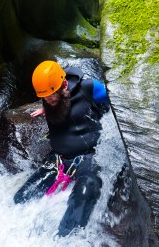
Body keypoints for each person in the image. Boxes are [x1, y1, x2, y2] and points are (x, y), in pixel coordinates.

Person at [13, 60, 110, 236]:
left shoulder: (89, 88)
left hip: (88, 158)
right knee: (21, 199)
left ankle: (64, 240)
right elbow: (55, 102)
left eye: (51, 95)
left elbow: (117, 100)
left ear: (64, 84)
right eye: (44, 97)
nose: (48, 100)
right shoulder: (50, 98)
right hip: (59, 159)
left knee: (87, 190)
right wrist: (46, 107)